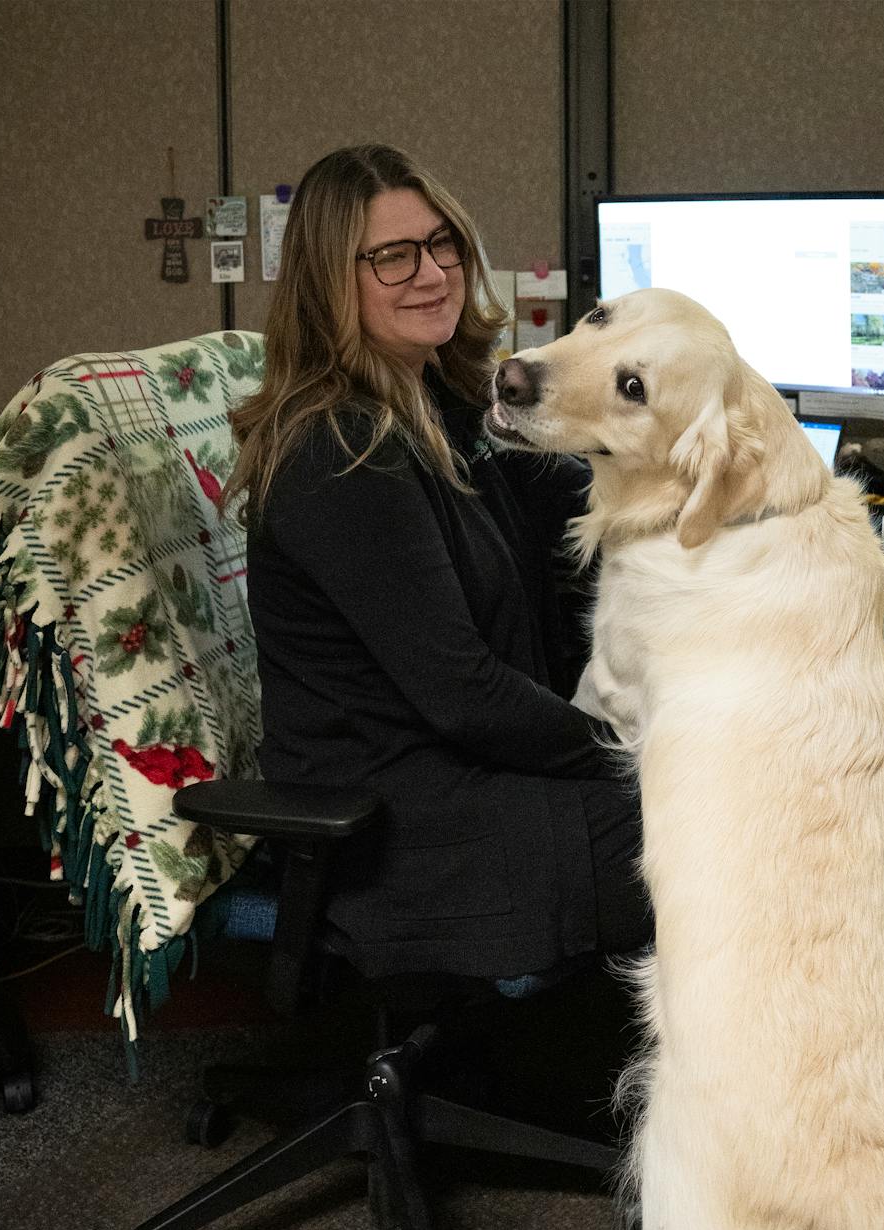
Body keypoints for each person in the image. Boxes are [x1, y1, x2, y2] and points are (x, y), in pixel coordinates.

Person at [222, 144, 650, 995]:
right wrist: (631, 754)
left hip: (466, 777)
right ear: (328, 280)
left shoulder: (439, 404)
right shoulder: (342, 449)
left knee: (730, 803)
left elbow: (583, 510)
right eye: (392, 256)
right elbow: (468, 695)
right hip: (403, 828)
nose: (432, 273)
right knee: (734, 828)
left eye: (442, 243)